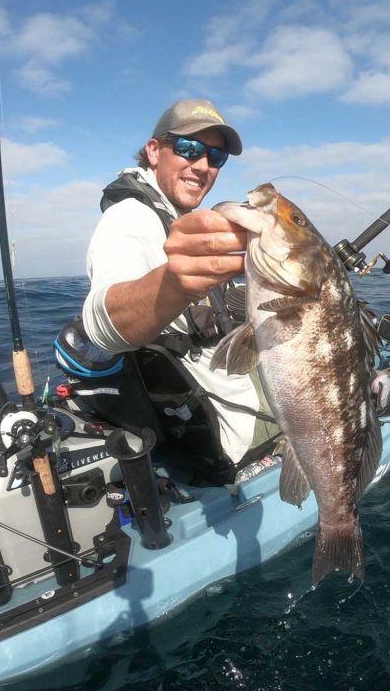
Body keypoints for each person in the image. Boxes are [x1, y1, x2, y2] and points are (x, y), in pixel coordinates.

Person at [79, 98, 278, 481]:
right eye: (189, 148)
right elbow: (104, 323)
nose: (203, 165)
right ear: (154, 151)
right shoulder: (129, 218)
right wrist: (175, 282)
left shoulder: (174, 217)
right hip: (235, 434)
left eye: (216, 157)